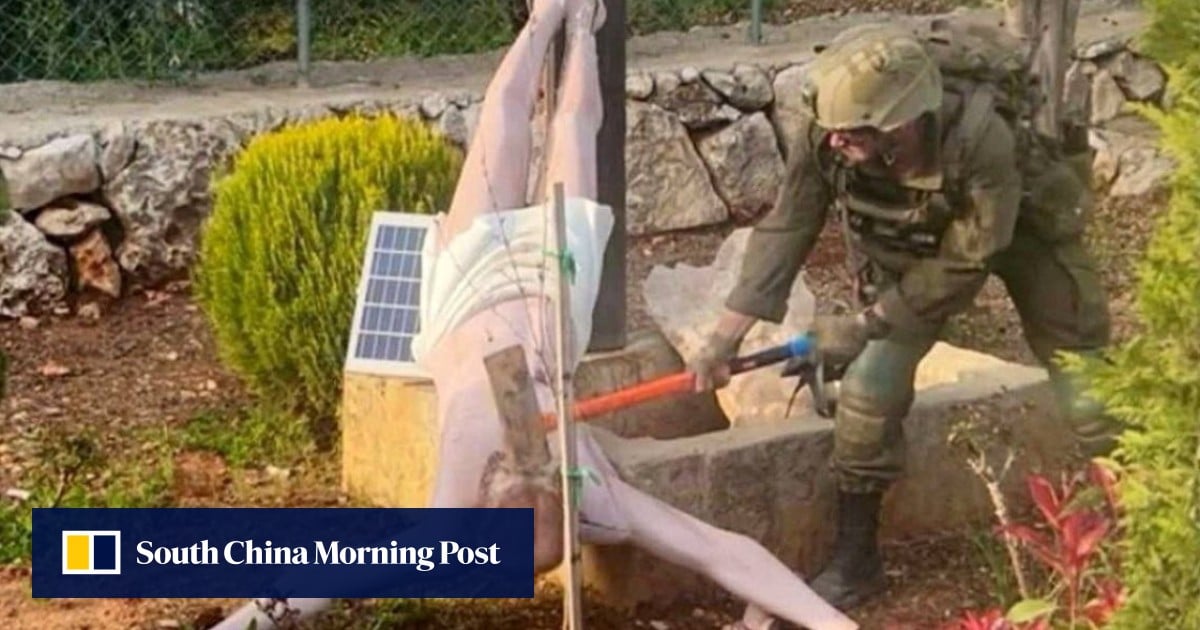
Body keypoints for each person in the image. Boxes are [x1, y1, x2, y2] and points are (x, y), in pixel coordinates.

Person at [211, 1, 858, 629]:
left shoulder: (454, 517)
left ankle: (558, 18)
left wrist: (243, 623)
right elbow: (719, 550)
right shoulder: (590, 497)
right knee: (570, 129)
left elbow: (330, 576)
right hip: (551, 289)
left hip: (463, 292)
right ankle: (571, 22)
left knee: (503, 129)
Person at [689, 22, 1117, 612]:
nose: (835, 141)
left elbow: (970, 256)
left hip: (1021, 231)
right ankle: (857, 562)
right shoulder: (829, 131)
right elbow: (788, 225)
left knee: (1082, 373)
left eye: (852, 132)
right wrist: (724, 337)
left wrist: (864, 324)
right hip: (917, 249)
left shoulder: (981, 137)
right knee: (869, 388)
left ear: (901, 123)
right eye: (833, 129)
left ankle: (1136, 514)